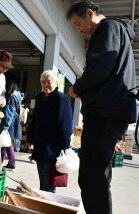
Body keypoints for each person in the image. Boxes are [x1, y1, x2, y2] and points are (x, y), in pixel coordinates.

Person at [66, 1, 137, 213]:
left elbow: (99, 68)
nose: (80, 30)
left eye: (79, 23)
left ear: (90, 12)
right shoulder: (118, 32)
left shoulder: (107, 28)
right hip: (112, 111)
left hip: (104, 111)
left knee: (91, 179)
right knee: (97, 177)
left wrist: (76, 88)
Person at [27, 70, 73, 193]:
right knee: (43, 180)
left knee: (50, 182)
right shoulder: (39, 98)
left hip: (53, 148)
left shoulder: (61, 99)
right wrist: (30, 138)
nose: (45, 85)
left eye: (49, 82)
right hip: (40, 146)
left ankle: (49, 205)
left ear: (56, 82)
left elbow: (66, 126)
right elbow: (34, 120)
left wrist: (65, 146)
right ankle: (44, 203)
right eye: (43, 82)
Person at [0, 79, 24, 171]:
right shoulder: (18, 96)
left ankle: (11, 163)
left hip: (9, 122)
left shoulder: (11, 96)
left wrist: (5, 126)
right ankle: (1, 161)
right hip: (14, 122)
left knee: (6, 142)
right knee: (4, 141)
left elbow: (9, 112)